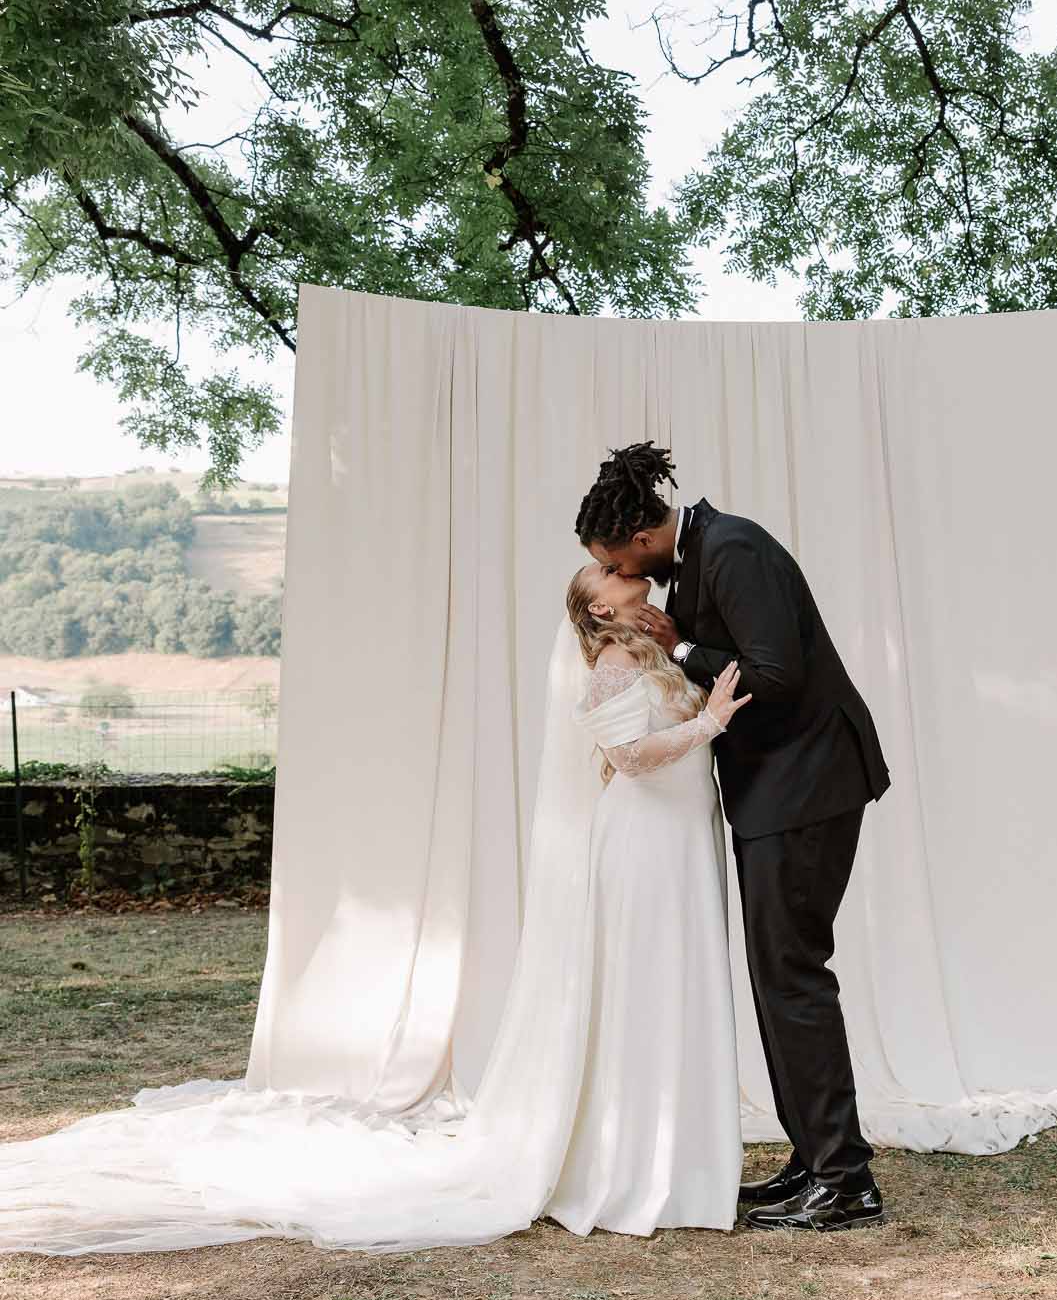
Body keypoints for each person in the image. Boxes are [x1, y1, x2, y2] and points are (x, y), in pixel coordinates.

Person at [0, 566, 750, 1254]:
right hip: (645, 843)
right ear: (596, 608)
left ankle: (675, 1155)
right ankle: (634, 1166)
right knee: (644, 986)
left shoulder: (652, 653)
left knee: (670, 984)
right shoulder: (613, 664)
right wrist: (710, 722)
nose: (629, 575)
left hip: (681, 838)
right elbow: (630, 761)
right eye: (612, 575)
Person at [577, 440, 892, 1232]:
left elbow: (776, 675)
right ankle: (814, 1159)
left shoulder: (734, 548)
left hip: (808, 786)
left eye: (613, 560)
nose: (618, 575)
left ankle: (846, 1183)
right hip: (774, 792)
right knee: (776, 976)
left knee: (792, 974)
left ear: (642, 541)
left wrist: (680, 645)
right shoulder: (701, 555)